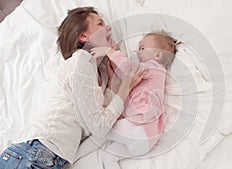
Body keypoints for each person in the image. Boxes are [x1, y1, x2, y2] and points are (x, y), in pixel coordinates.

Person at [0, 7, 145, 169]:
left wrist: (114, 84)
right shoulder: (80, 62)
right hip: (34, 152)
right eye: (100, 23)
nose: (108, 27)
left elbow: (99, 122)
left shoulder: (98, 76)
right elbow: (99, 127)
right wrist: (125, 85)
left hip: (48, 157)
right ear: (84, 36)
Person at [78, 32, 179, 169]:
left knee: (102, 132)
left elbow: (128, 68)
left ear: (158, 55)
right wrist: (113, 70)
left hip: (139, 130)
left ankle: (73, 159)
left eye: (142, 48)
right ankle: (75, 161)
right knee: (109, 157)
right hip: (147, 140)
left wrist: (110, 51)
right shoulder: (150, 74)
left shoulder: (154, 68)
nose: (138, 51)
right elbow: (127, 78)